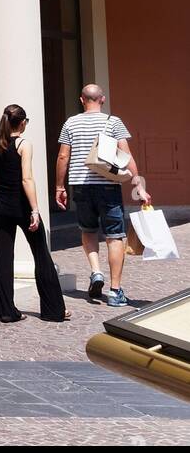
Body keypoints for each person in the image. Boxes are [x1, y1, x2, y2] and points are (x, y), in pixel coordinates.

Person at [55, 83, 151, 308]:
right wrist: (139, 186)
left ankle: (96, 271)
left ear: (81, 100)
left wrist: (59, 187)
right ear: (103, 99)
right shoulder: (113, 122)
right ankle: (115, 291)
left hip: (80, 186)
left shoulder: (70, 122)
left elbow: (62, 157)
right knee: (114, 236)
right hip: (108, 185)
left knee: (88, 231)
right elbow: (126, 156)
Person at [0, 104, 68, 323]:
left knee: (3, 259)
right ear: (22, 123)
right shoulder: (24, 144)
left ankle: (5, 311)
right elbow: (27, 179)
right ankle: (53, 310)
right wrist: (35, 210)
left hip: (1, 207)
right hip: (22, 207)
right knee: (41, 255)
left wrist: (2, 197)